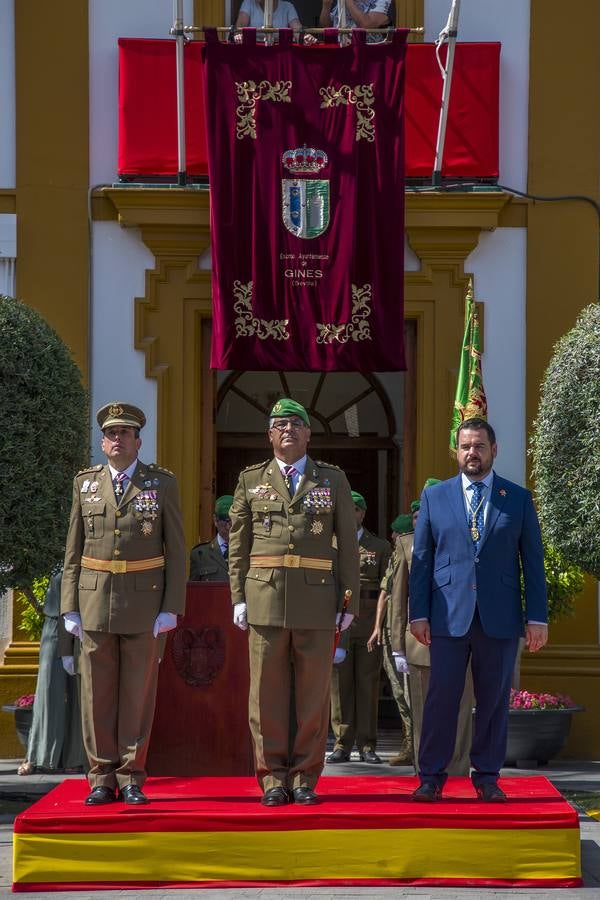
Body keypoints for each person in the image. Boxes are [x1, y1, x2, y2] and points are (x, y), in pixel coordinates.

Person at [228, 398, 360, 807]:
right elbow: (238, 543)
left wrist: (349, 599)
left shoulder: (332, 480)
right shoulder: (251, 479)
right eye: (280, 424)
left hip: (318, 599)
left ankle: (304, 777)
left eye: (296, 424)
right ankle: (271, 779)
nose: (288, 430)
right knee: (265, 695)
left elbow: (348, 547)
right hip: (264, 596)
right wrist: (237, 597)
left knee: (312, 695)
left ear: (308, 434)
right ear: (269, 434)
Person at [409, 418, 548, 802]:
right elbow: (421, 560)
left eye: (479, 446)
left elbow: (532, 563)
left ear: (494, 450)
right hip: (448, 617)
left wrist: (536, 617)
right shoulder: (436, 498)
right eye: (466, 446)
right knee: (441, 699)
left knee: (493, 700)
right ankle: (431, 776)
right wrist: (418, 613)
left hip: (499, 618)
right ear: (457, 451)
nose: (472, 453)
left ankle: (487, 776)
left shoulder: (517, 499)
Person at [61, 402, 187, 805]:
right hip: (94, 601)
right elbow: (73, 550)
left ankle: (131, 774)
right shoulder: (86, 484)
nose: (117, 439)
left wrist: (171, 606)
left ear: (138, 440)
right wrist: (70, 606)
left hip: (144, 605)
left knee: (137, 694)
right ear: (103, 442)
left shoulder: (161, 484)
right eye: (111, 433)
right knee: (96, 694)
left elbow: (177, 550)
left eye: (125, 433)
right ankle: (100, 776)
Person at [328, 491, 391, 764]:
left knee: (367, 684)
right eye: (345, 509)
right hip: (337, 622)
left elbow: (387, 590)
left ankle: (367, 744)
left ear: (362, 513)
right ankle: (342, 743)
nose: (349, 514)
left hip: (366, 621)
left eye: (354, 509)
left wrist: (381, 625)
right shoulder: (327, 545)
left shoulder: (379, 547)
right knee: (339, 686)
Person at [18, 570, 86, 776]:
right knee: (48, 693)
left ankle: (76, 757)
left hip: (85, 627)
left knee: (81, 695)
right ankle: (38, 755)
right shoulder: (57, 566)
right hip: (55, 626)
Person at [367, 512, 415, 766]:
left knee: (408, 691)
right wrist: (376, 628)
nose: (393, 536)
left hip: (406, 632)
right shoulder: (396, 557)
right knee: (398, 691)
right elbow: (385, 594)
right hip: (389, 632)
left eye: (397, 532)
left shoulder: (411, 555)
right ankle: (410, 742)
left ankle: (414, 744)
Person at [189, 495, 234, 582]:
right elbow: (194, 591)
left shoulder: (247, 551)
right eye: (224, 521)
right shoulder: (200, 554)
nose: (228, 527)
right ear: (215, 520)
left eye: (232, 521)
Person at [319, 0, 391, 41]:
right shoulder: (341, 2)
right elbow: (326, 27)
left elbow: (366, 24)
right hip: (342, 54)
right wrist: (326, 5)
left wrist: (349, 2)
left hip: (368, 55)